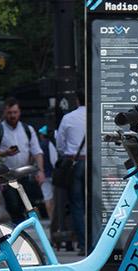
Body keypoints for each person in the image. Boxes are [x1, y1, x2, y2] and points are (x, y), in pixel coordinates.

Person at [0, 98, 44, 220]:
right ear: (5, 113)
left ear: (19, 112)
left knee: (27, 206)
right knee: (13, 207)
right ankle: (17, 231)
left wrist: (40, 171)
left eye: (15, 112)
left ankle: (20, 231)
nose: (12, 115)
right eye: (9, 113)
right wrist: (5, 153)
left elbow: (37, 152)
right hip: (6, 176)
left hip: (25, 175)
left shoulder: (28, 130)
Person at [54, 96, 87, 250]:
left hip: (75, 163)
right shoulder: (97, 116)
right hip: (94, 163)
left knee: (76, 204)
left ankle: (82, 243)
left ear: (77, 100)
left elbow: (60, 144)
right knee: (96, 203)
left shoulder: (68, 118)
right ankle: (96, 241)